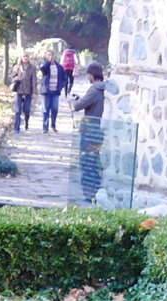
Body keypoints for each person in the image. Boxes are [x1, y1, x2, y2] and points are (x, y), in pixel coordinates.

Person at [71, 63, 107, 204]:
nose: (87, 77)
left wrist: (76, 101)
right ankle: (95, 192)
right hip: (98, 130)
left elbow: (78, 106)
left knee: (87, 162)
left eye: (88, 74)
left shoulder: (94, 89)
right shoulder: (103, 89)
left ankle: (89, 193)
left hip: (89, 130)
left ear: (92, 75)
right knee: (94, 162)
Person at [39, 50, 66, 133]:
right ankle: (45, 127)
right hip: (46, 91)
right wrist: (48, 62)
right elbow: (43, 70)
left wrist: (61, 87)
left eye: (51, 55)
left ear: (54, 56)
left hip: (55, 91)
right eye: (48, 55)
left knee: (55, 109)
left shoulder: (59, 67)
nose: (50, 57)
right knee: (45, 109)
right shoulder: (45, 65)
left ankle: (53, 125)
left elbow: (64, 78)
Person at [10, 53, 36, 133]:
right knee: (18, 110)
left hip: (28, 91)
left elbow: (34, 80)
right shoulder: (17, 67)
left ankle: (26, 122)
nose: (25, 58)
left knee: (27, 110)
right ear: (21, 58)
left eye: (27, 57)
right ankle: (16, 128)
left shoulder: (32, 68)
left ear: (29, 58)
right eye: (24, 57)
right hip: (19, 90)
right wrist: (17, 78)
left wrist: (34, 91)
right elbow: (12, 77)